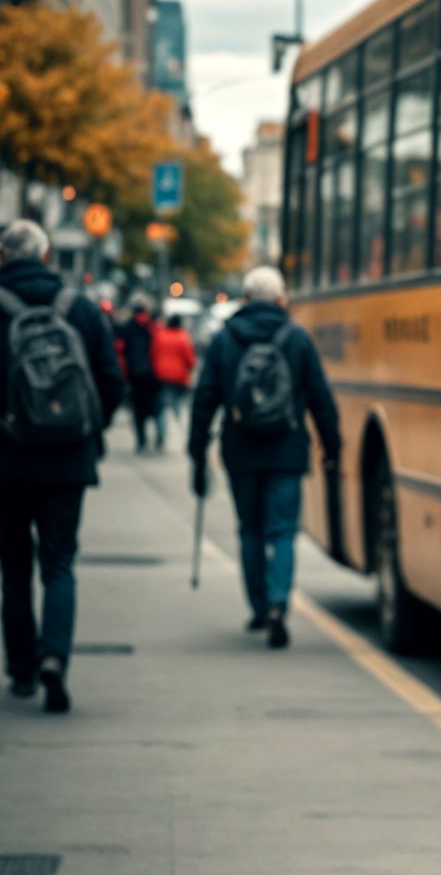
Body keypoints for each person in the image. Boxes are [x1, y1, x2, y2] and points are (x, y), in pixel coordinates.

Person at [0, 220, 125, 713]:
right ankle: (56, 659)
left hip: (6, 460)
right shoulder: (80, 309)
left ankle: (23, 670)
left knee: (13, 567)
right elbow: (112, 382)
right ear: (47, 255)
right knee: (59, 563)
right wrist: (89, 432)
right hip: (68, 461)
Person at [187, 265, 340, 649]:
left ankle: (258, 606)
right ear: (280, 299)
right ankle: (278, 603)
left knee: (250, 530)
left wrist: (197, 450)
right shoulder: (297, 339)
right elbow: (320, 398)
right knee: (283, 530)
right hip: (287, 449)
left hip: (241, 450)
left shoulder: (225, 340)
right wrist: (332, 446)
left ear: (245, 298)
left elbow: (205, 399)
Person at [117, 295, 158, 452]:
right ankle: (157, 435)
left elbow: (120, 350)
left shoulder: (126, 328)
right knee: (152, 407)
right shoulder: (151, 327)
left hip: (133, 374)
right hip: (150, 374)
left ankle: (141, 439)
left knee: (137, 409)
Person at [151, 311, 197, 450]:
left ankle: (161, 433)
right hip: (178, 377)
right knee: (177, 407)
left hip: (161, 376)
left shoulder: (160, 335)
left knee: (161, 408)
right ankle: (184, 434)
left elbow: (153, 353)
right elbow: (190, 358)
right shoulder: (183, 337)